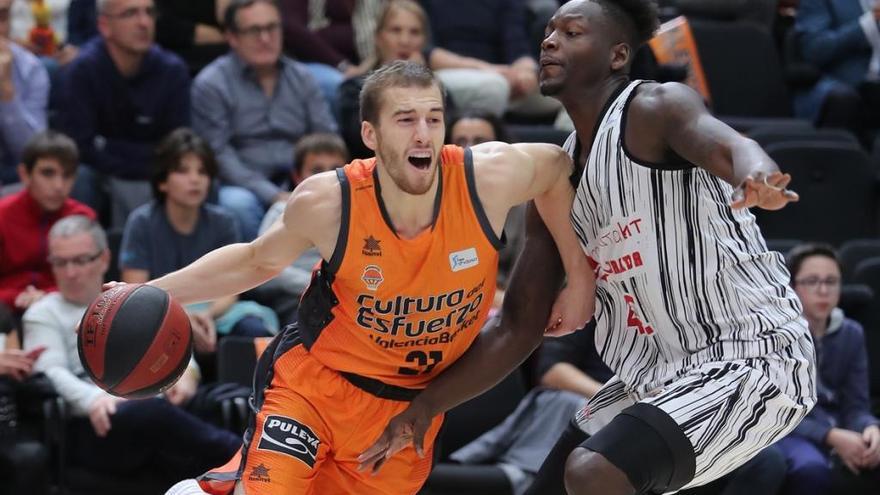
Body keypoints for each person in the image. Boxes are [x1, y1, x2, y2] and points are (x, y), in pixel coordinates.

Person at [360, 3, 817, 495]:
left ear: (617, 54)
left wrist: (756, 174)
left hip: (752, 357)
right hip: (653, 376)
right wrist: (425, 406)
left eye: (572, 32)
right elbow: (517, 327)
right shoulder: (557, 177)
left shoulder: (654, 108)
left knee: (595, 471)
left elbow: (725, 143)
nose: (549, 41)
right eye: (549, 30)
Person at [115, 60, 592, 494]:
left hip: (407, 408)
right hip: (315, 386)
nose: (423, 134)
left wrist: (579, 274)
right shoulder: (330, 201)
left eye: (433, 117)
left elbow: (556, 168)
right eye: (405, 120)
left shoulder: (486, 179)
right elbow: (255, 260)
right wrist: (150, 289)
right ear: (371, 133)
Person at [22, 215, 241, 484]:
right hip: (96, 418)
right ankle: (241, 459)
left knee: (223, 401)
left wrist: (186, 375)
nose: (70, 272)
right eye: (60, 262)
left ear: (103, 259)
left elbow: (172, 339)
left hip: (156, 397)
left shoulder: (131, 298)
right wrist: (93, 399)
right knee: (149, 413)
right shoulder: (43, 312)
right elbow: (50, 372)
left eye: (80, 260)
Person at [119, 128, 276, 360]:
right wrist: (182, 319)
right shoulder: (141, 222)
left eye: (202, 172)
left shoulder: (224, 221)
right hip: (160, 315)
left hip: (215, 313)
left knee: (253, 329)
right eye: (183, 171)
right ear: (162, 182)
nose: (195, 179)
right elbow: (137, 290)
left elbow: (233, 287)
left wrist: (207, 316)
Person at [191, 0, 338, 240]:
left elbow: (326, 138)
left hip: (301, 176)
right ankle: (259, 275)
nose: (265, 38)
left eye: (272, 28)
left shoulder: (302, 78)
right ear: (232, 37)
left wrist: (310, 183)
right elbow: (218, 154)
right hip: (244, 183)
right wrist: (272, 194)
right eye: (254, 30)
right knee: (236, 205)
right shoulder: (211, 84)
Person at [62, 0, 191, 228]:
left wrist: (110, 147)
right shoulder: (83, 71)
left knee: (196, 177)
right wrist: (145, 156)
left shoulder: (173, 70)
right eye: (130, 13)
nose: (143, 22)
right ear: (104, 25)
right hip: (103, 173)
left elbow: (177, 146)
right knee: (79, 177)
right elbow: (81, 148)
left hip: (155, 173)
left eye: (149, 12)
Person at [777, 244, 880, 495]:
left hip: (840, 427)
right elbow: (778, 410)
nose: (823, 290)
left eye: (831, 281)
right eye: (812, 281)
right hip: (792, 431)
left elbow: (856, 405)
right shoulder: (778, 336)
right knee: (810, 469)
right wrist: (830, 436)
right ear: (792, 287)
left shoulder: (851, 332)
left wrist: (870, 427)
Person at [0, 131, 94, 322]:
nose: (59, 185)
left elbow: (90, 280)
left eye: (67, 175)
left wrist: (48, 296)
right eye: (48, 173)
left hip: (65, 310)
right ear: (25, 174)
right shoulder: (2, 215)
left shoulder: (82, 217)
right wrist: (15, 297)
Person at [0, 0, 49, 187]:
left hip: (13, 181)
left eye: (1, 17)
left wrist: (6, 90)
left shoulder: (30, 68)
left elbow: (34, 153)